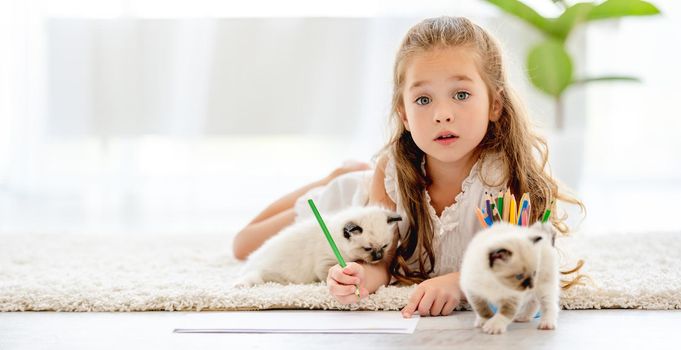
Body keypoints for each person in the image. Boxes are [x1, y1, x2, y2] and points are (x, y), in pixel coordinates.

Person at [234, 16, 584, 317]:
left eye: (461, 95)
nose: (441, 113)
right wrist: (358, 278)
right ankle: (337, 177)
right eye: (422, 99)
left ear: (495, 104)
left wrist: (459, 283)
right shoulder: (389, 176)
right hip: (349, 202)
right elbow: (381, 266)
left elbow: (534, 262)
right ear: (404, 114)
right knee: (242, 246)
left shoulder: (505, 176)